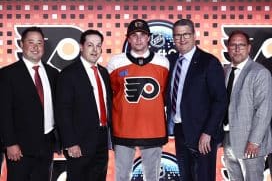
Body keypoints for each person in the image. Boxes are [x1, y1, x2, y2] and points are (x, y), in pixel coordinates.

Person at [107, 19, 169, 181]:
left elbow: (166, 96)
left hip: (153, 129)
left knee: (152, 176)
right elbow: (111, 96)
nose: (139, 39)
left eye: (143, 35)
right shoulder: (115, 62)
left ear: (149, 37)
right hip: (123, 129)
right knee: (122, 176)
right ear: (128, 38)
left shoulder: (163, 62)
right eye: (134, 35)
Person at [166, 19, 227, 181]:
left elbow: (220, 101)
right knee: (186, 176)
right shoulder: (170, 61)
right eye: (177, 35)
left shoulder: (209, 62)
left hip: (203, 134)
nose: (182, 39)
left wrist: (208, 132)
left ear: (194, 35)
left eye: (186, 34)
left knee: (204, 177)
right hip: (180, 130)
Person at [0, 26, 59, 181]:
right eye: (31, 42)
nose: (35, 47)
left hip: (46, 145)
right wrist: (10, 143)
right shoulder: (8, 74)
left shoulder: (53, 73)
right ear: (21, 44)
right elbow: (3, 112)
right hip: (19, 147)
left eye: (39, 43)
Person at [55, 29, 112, 181]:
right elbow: (63, 111)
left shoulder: (103, 73)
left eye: (98, 45)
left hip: (101, 138)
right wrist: (70, 142)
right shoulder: (68, 74)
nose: (95, 50)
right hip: (79, 142)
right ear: (81, 47)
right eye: (90, 45)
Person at [223, 30, 272, 181]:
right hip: (227, 138)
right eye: (233, 45)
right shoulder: (224, 71)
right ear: (228, 47)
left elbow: (264, 110)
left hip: (250, 142)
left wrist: (254, 141)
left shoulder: (259, 72)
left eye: (241, 45)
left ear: (249, 48)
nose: (237, 49)